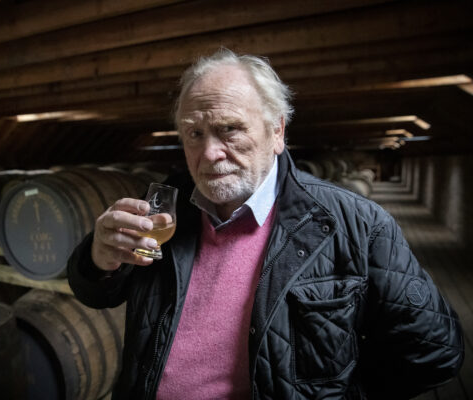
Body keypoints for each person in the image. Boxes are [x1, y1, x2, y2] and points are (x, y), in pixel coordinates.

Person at [68, 49, 464, 399]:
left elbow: (434, 351)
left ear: (277, 132)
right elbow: (98, 294)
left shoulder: (355, 223)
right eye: (194, 133)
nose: (209, 153)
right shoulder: (167, 210)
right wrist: (98, 259)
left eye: (229, 129)